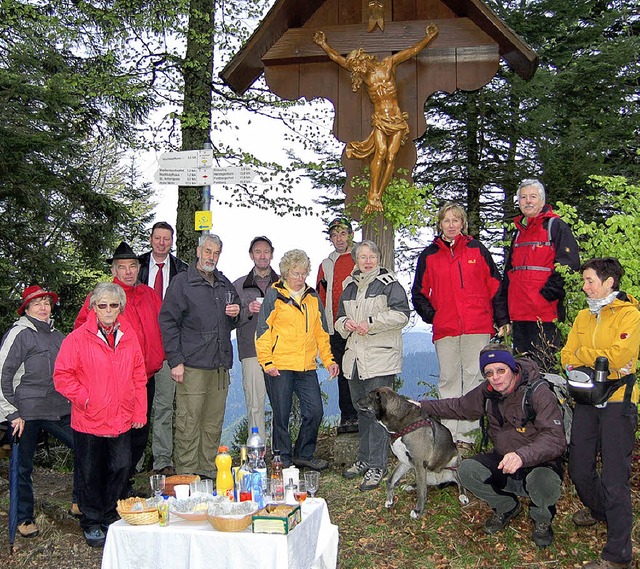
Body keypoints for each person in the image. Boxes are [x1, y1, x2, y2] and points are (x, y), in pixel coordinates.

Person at [418, 345, 566, 549]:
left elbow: (555, 438)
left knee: (544, 481)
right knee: (466, 470)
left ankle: (542, 517)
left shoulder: (538, 392)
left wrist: (522, 456)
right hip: (503, 458)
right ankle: (506, 506)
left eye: (501, 370)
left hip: (540, 460)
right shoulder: (488, 393)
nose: (495, 378)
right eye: (489, 373)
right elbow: (459, 407)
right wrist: (420, 406)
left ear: (513, 369)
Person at [54, 282, 147, 548]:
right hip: (89, 419)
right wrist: (85, 399)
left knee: (120, 468)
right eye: (102, 304)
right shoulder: (77, 338)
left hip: (121, 417)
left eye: (113, 305)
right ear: (93, 307)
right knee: (90, 472)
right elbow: (62, 376)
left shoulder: (129, 337)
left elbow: (138, 377)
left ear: (121, 308)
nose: (107, 310)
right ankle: (91, 521)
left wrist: (139, 410)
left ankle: (109, 516)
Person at [560, 258, 640, 569]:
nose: (585, 286)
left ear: (609, 282)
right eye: (584, 280)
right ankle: (601, 510)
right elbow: (566, 354)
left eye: (590, 280)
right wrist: (594, 360)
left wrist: (583, 357)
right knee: (579, 468)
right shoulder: (583, 316)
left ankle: (618, 555)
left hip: (618, 402)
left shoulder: (630, 316)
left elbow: (621, 356)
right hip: (585, 399)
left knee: (614, 478)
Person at [411, 202, 509, 448]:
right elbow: (419, 292)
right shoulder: (429, 255)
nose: (451, 224)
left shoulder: (477, 249)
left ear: (463, 223)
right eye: (447, 220)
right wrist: (435, 316)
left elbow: (495, 286)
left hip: (478, 325)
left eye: (456, 220)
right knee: (448, 380)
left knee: (475, 378)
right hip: (446, 328)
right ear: (440, 224)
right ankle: (448, 436)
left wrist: (501, 319)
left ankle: (468, 436)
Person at [313, 25, 439, 213]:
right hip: (380, 119)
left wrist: (428, 38)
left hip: (396, 119)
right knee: (380, 152)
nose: (357, 70)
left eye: (357, 66)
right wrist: (324, 44)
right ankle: (372, 193)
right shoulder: (364, 77)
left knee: (391, 156)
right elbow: (338, 59)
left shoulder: (388, 64)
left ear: (363, 59)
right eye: (355, 68)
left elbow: (412, 51)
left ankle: (379, 194)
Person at [75, 242, 164, 493]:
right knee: (114, 436)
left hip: (145, 377)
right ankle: (103, 490)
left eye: (133, 266)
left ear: (139, 268)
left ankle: (123, 484)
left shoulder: (149, 295)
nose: (128, 272)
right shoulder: (104, 298)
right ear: (114, 270)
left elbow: (163, 326)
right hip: (113, 381)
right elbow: (82, 330)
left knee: (139, 432)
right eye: (122, 267)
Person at [159, 234, 241, 478]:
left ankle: (207, 473)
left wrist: (236, 313)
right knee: (188, 422)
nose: (211, 257)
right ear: (198, 251)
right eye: (208, 251)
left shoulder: (224, 284)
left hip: (219, 365)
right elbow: (168, 322)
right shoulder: (182, 283)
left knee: (212, 424)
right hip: (192, 365)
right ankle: (186, 475)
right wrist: (176, 361)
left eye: (216, 253)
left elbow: (232, 319)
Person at [0, 285, 79, 538]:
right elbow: (2, 374)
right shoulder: (19, 334)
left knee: (85, 447)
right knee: (23, 465)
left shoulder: (58, 336)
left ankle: (80, 501)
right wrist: (11, 412)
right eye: (37, 304)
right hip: (25, 411)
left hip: (58, 407)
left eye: (46, 302)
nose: (44, 307)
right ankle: (24, 518)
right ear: (27, 309)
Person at [335, 240, 410, 490]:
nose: (367, 261)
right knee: (363, 412)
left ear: (379, 258)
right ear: (355, 260)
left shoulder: (390, 284)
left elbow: (402, 315)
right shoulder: (349, 286)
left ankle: (378, 465)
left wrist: (371, 322)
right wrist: (344, 324)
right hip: (355, 359)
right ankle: (364, 460)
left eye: (371, 256)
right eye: (362, 256)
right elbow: (338, 320)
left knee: (379, 414)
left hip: (380, 358)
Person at [255, 249, 339, 471]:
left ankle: (303, 454)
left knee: (314, 412)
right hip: (279, 365)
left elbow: (321, 333)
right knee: (281, 414)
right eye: (295, 273)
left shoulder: (312, 297)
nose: (299, 278)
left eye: (303, 273)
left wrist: (329, 360)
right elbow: (263, 331)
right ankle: (282, 458)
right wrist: (267, 363)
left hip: (306, 366)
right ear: (285, 272)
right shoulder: (275, 295)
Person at [500, 179, 580, 371]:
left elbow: (569, 265)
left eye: (533, 197)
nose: (528, 201)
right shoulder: (518, 233)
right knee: (522, 372)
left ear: (542, 201)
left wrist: (546, 294)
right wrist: (503, 313)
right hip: (519, 315)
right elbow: (509, 274)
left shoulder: (555, 226)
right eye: (523, 197)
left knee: (545, 371)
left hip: (545, 316)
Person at [137, 221, 188, 477]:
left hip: (168, 345)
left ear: (172, 241)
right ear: (150, 239)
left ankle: (162, 460)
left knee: (165, 405)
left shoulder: (182, 271)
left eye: (167, 239)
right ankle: (131, 461)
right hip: (138, 347)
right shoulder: (136, 267)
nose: (162, 243)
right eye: (158, 238)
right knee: (136, 405)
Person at [233, 236, 279, 440]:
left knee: (281, 403)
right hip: (251, 350)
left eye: (266, 251)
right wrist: (247, 311)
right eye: (258, 251)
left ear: (272, 254)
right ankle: (257, 451)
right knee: (254, 404)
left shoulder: (282, 284)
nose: (262, 255)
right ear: (251, 255)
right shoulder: (239, 285)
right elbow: (229, 319)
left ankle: (280, 452)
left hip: (281, 351)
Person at [316, 217, 358, 433]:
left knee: (361, 371)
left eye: (342, 233)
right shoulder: (326, 264)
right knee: (342, 372)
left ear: (350, 234)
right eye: (334, 235)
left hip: (357, 325)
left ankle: (365, 416)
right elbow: (320, 297)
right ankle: (348, 417)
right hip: (334, 328)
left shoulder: (360, 257)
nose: (338, 238)